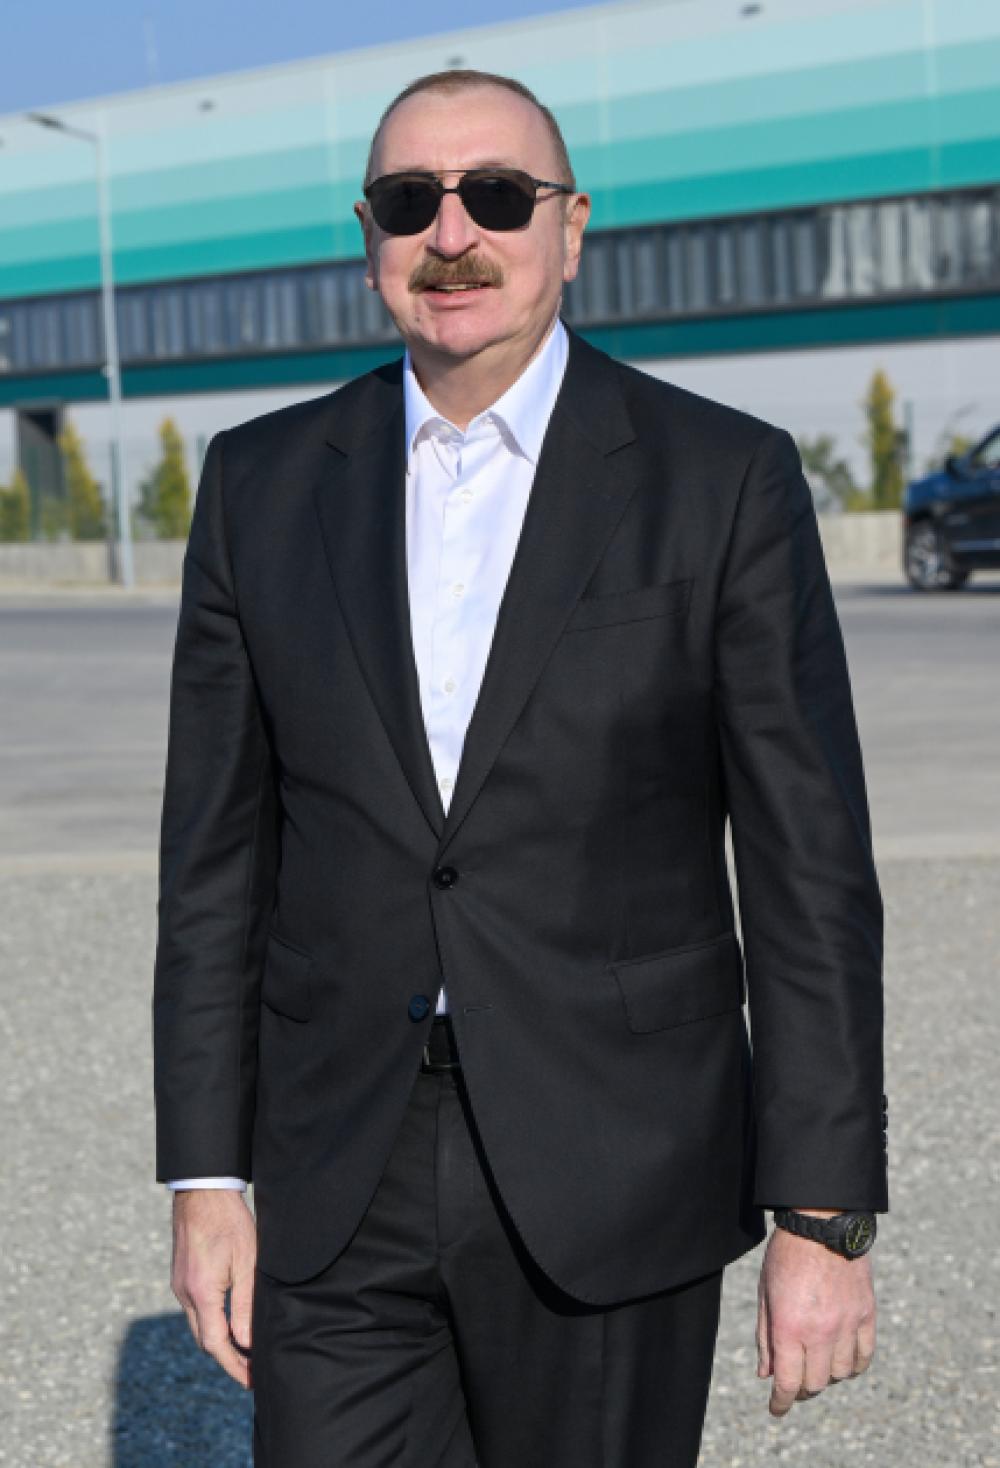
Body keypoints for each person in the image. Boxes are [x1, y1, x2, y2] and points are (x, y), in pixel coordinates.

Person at [153, 69, 889, 1467]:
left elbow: (810, 875)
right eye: (408, 202)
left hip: (616, 1167)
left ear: (572, 225)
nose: (452, 236)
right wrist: (205, 1176)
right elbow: (214, 866)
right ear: (367, 236)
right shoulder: (260, 485)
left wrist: (822, 1214)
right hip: (337, 1171)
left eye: (495, 195)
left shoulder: (721, 478)